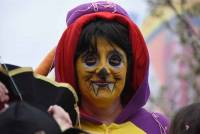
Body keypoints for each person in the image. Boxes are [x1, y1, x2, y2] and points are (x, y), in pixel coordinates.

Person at [36, 1, 169, 134]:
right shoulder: (53, 127)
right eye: (90, 60)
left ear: (129, 68)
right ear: (72, 68)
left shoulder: (158, 127)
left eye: (115, 60)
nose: (103, 70)